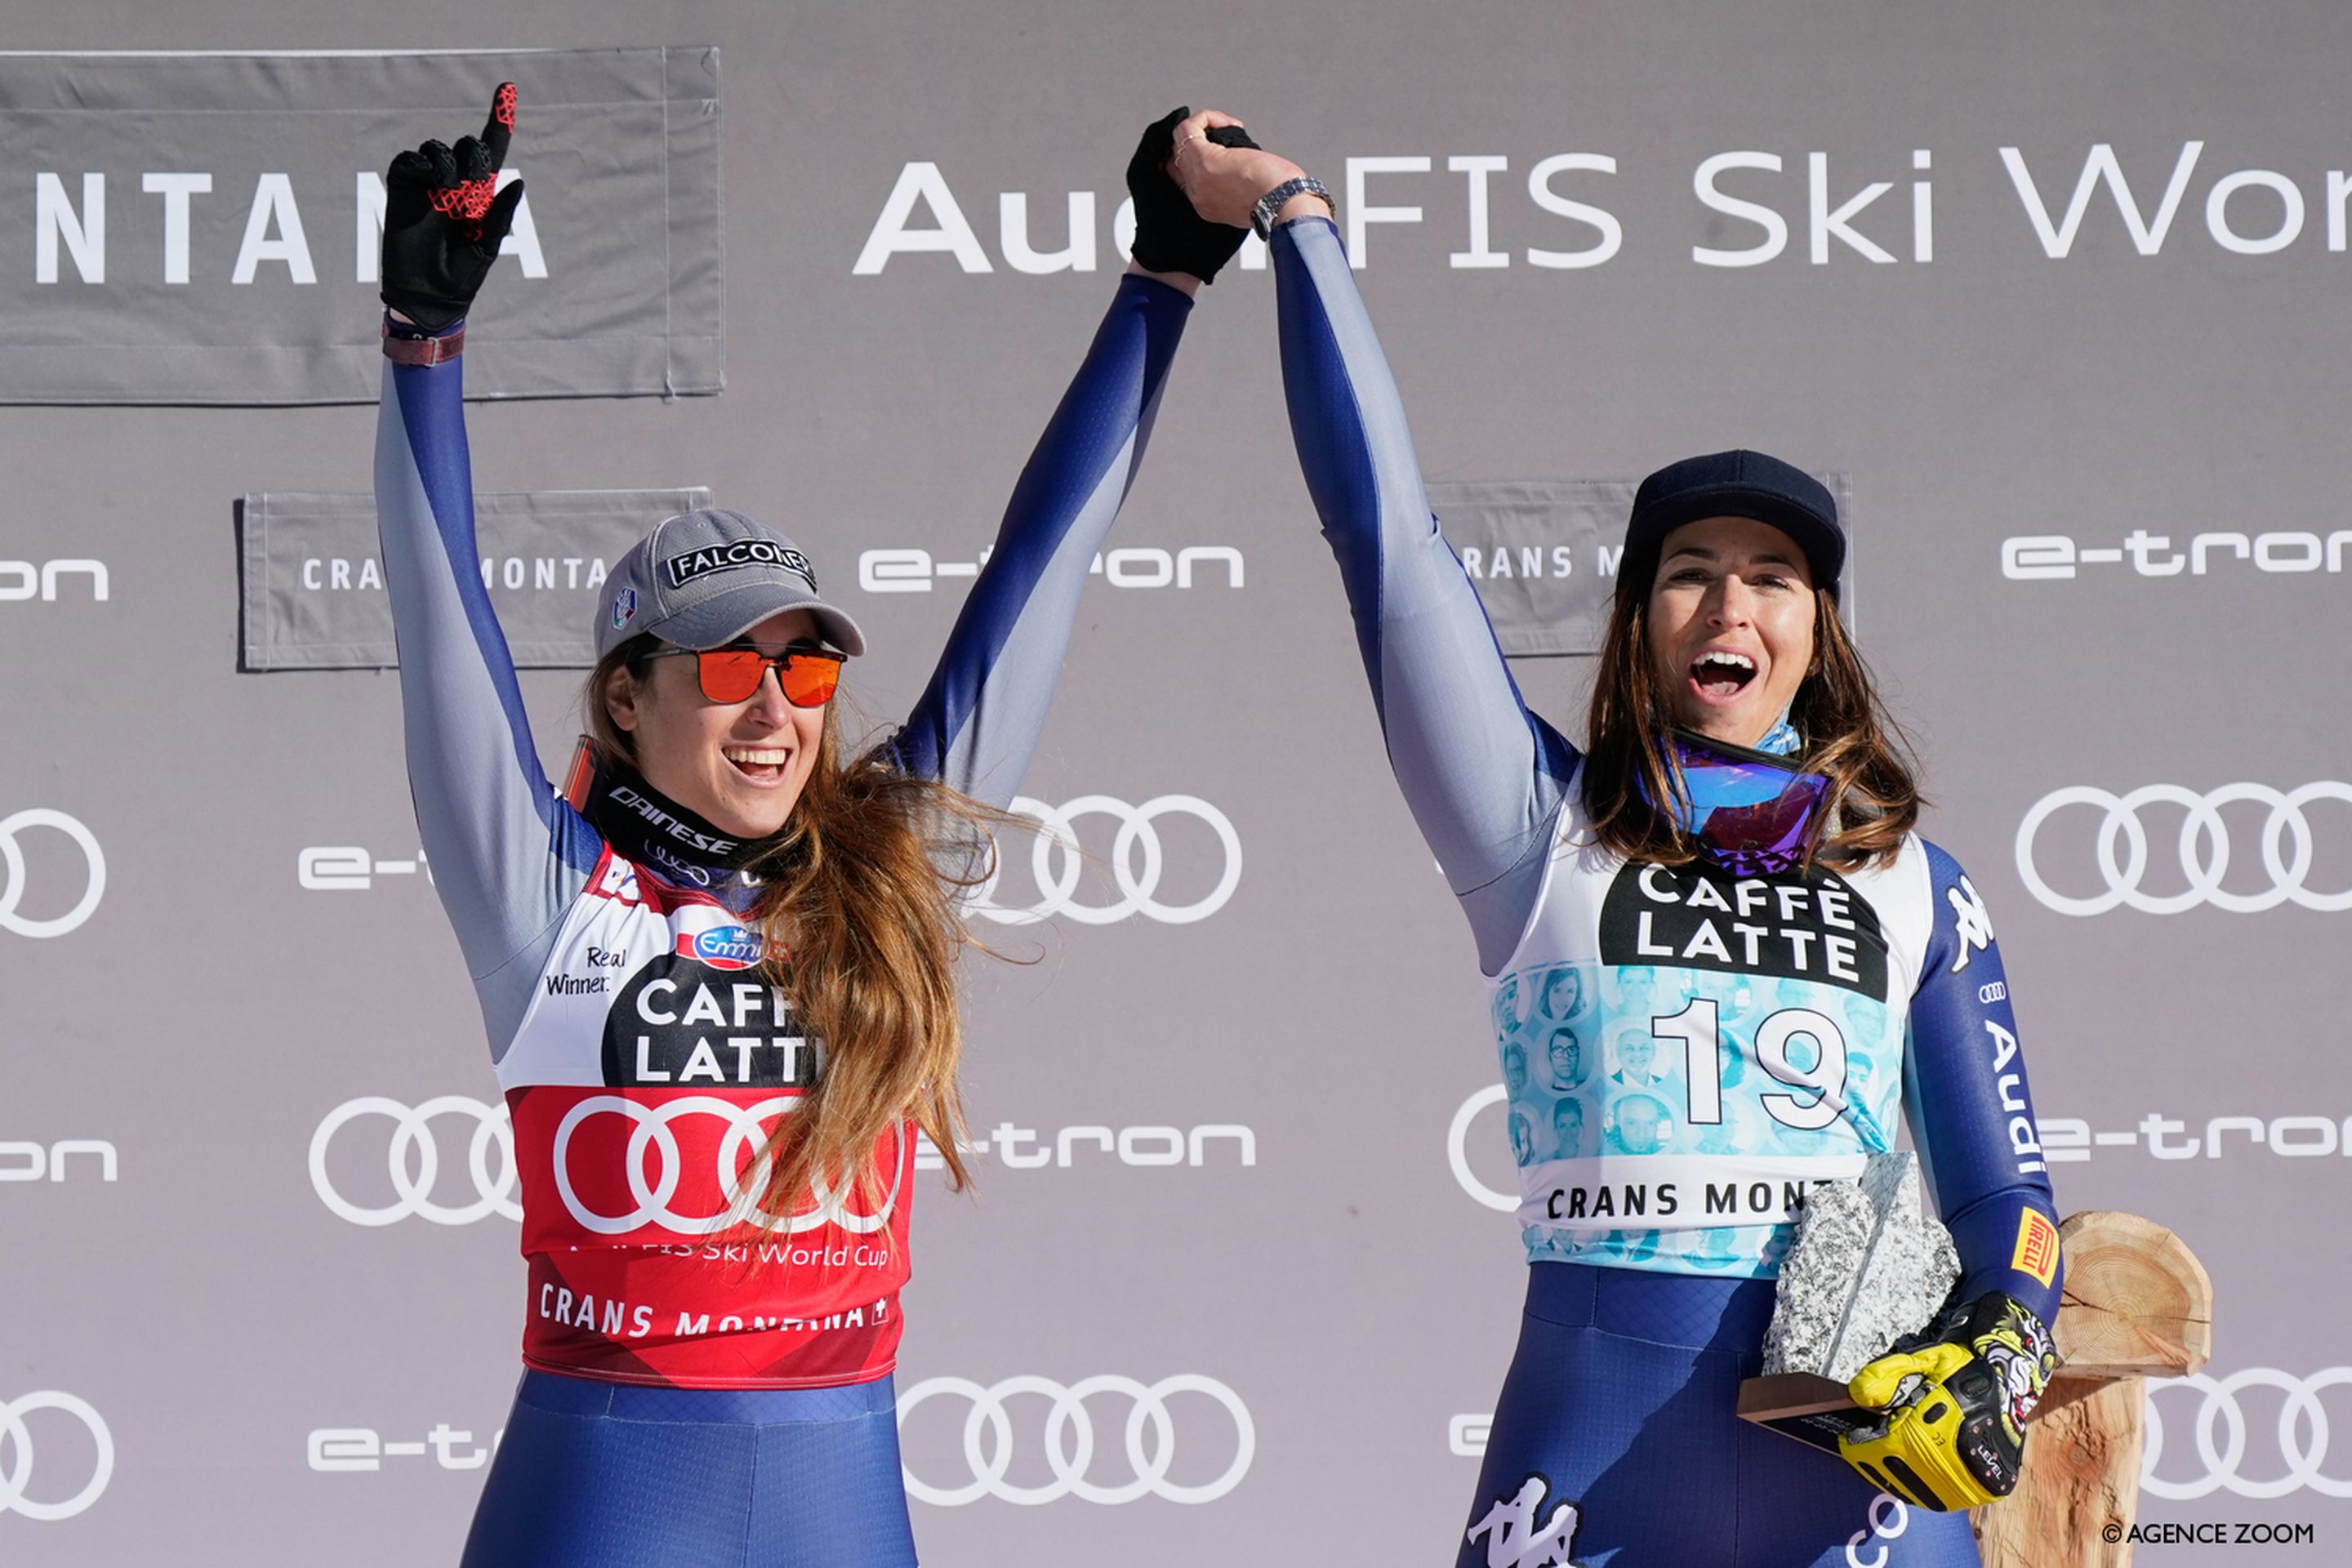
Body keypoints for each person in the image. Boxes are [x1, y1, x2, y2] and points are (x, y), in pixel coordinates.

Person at [1169, 112, 2064, 1565]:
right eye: (1690, 574)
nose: (1732, 607)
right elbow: (1390, 547)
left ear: (1816, 633)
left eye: (1774, 578)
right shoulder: (1538, 826)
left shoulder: (1912, 878)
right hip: (1589, 1462)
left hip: (1865, 1489)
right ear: (1640, 627)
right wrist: (1298, 220)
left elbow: (2006, 1193)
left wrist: (2004, 1341)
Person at [373, 91, 1246, 1567]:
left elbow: (1040, 574)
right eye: (727, 668)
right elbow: (438, 618)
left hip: (844, 1494)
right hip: (602, 1495)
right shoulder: (545, 892)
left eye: (807, 666)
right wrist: (422, 348)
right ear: (627, 699)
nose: (776, 710)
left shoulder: (885, 876)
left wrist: (1162, 283)